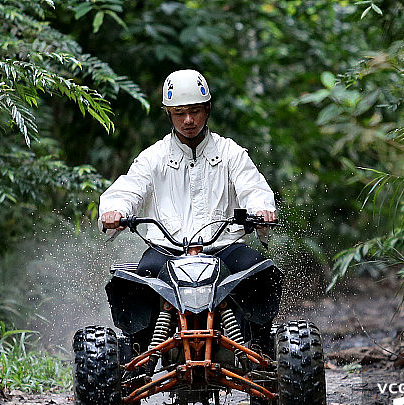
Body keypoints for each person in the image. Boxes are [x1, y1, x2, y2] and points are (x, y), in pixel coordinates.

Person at [99, 69, 277, 278]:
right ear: (169, 113)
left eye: (195, 111)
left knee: (261, 273)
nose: (188, 120)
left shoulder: (230, 153)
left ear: (208, 109)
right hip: (166, 250)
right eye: (179, 113)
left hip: (224, 248)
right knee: (137, 282)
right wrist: (115, 211)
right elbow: (129, 189)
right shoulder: (153, 157)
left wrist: (261, 210)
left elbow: (253, 188)